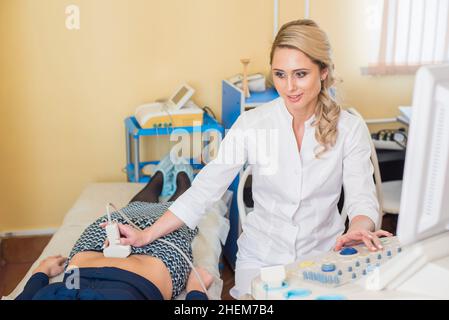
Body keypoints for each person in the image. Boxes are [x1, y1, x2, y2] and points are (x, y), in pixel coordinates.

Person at [109, 19, 393, 299]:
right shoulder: (253, 124)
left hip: (322, 258)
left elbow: (362, 199)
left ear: (323, 72)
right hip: (260, 257)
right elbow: (206, 189)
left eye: (300, 74)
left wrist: (357, 230)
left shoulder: (349, 128)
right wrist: (146, 235)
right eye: (280, 74)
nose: (289, 87)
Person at [15, 169, 214, 300]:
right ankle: (182, 190)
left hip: (82, 265)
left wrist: (40, 273)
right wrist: (196, 291)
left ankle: (153, 187)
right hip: (156, 262)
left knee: (127, 216)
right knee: (175, 220)